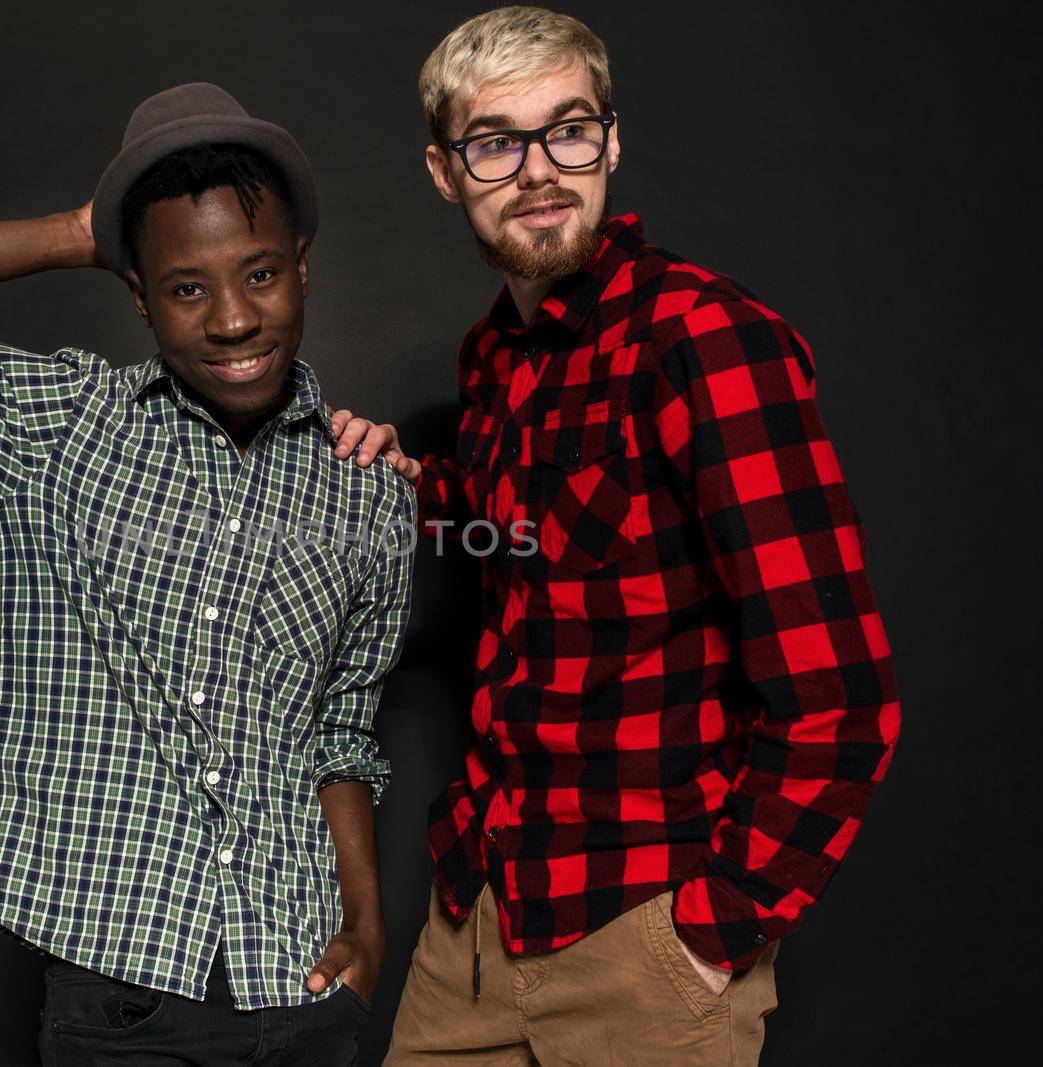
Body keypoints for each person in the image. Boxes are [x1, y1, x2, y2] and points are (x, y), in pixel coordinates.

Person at [0, 82, 414, 1064]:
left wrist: (367, 929)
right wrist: (80, 229)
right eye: (186, 286)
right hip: (120, 996)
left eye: (259, 274)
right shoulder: (61, 426)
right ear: (137, 292)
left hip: (302, 984)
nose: (234, 319)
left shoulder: (368, 488)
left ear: (301, 265)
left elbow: (341, 729)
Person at [332, 8, 901, 1064]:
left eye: (569, 129)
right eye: (495, 142)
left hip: (641, 934)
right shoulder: (496, 356)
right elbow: (546, 535)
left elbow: (839, 694)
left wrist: (712, 929)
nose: (539, 169)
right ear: (444, 172)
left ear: (612, 141)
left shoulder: (706, 341)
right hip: (475, 918)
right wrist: (412, 480)